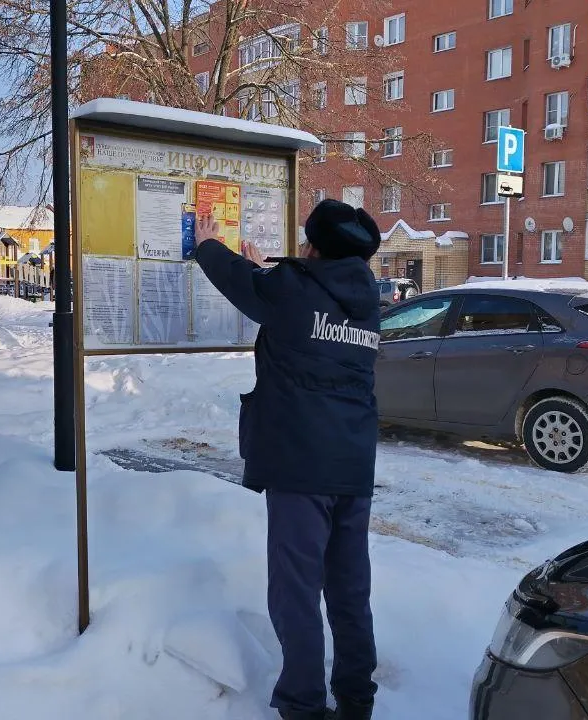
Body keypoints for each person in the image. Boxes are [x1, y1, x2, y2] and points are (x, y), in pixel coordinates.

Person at [193, 199, 382, 720]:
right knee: (349, 588)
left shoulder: (293, 288)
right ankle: (356, 696)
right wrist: (266, 274)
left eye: (306, 241)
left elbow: (242, 283)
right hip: (353, 463)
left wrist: (208, 242)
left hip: (302, 466)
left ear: (316, 248)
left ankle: (302, 703)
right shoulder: (367, 301)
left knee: (296, 592)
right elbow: (294, 304)